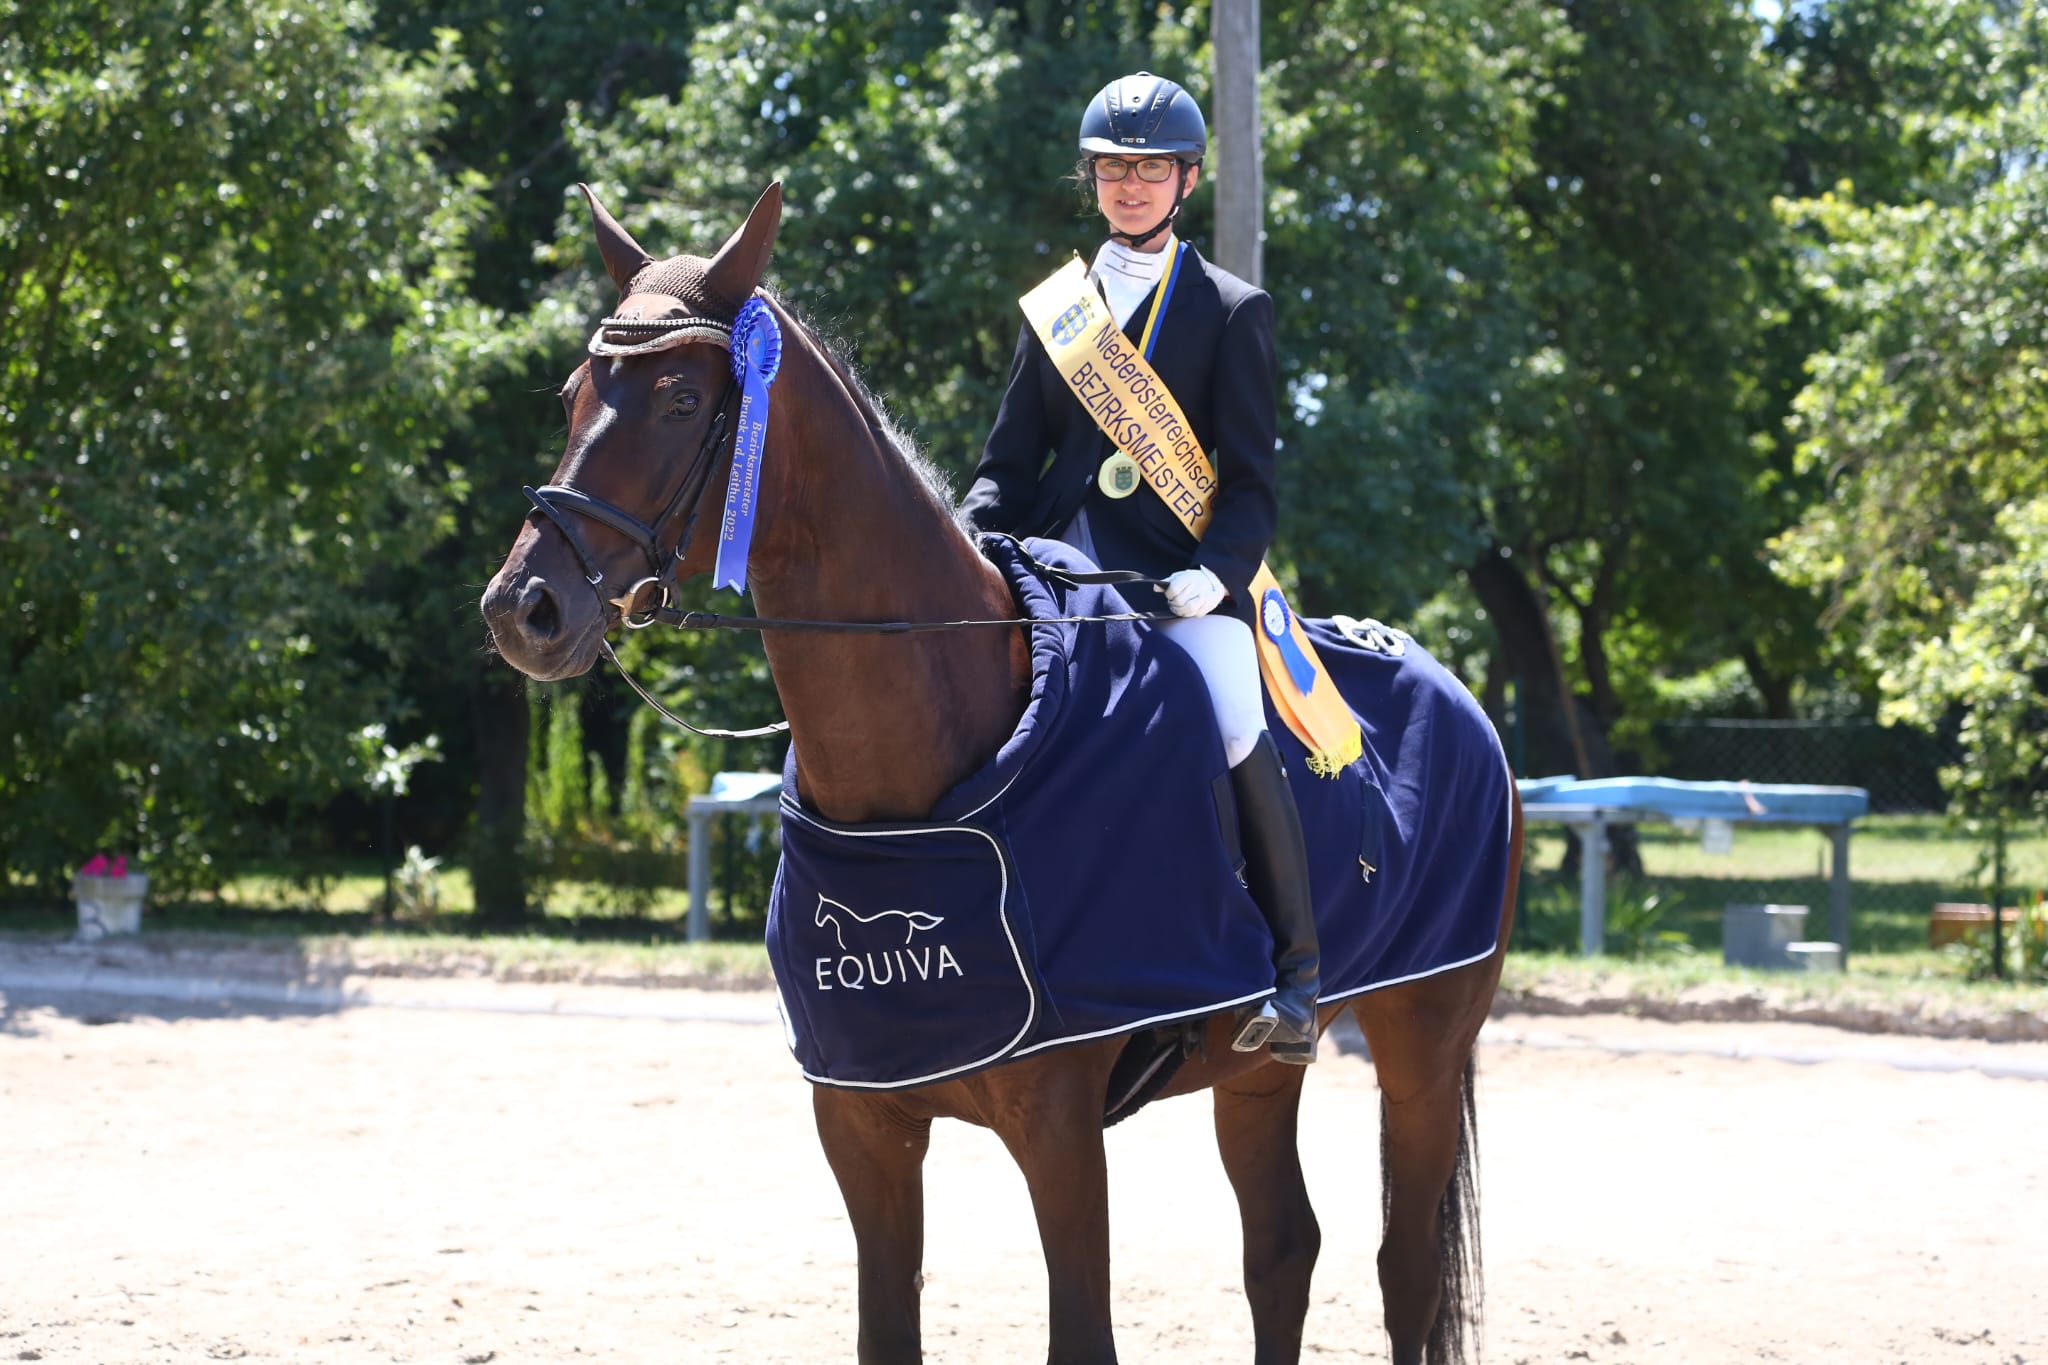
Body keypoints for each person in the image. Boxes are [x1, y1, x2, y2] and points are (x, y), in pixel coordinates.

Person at [960, 72, 1320, 1063]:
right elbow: (1005, 463)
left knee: (1232, 711)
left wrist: (1218, 569)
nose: (1130, 187)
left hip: (1173, 579)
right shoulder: (1060, 311)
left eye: (1149, 170)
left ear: (1185, 180)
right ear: (1093, 181)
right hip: (1053, 572)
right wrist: (967, 539)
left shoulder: (1231, 308)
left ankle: (1293, 976)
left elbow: (1250, 483)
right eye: (1114, 170)